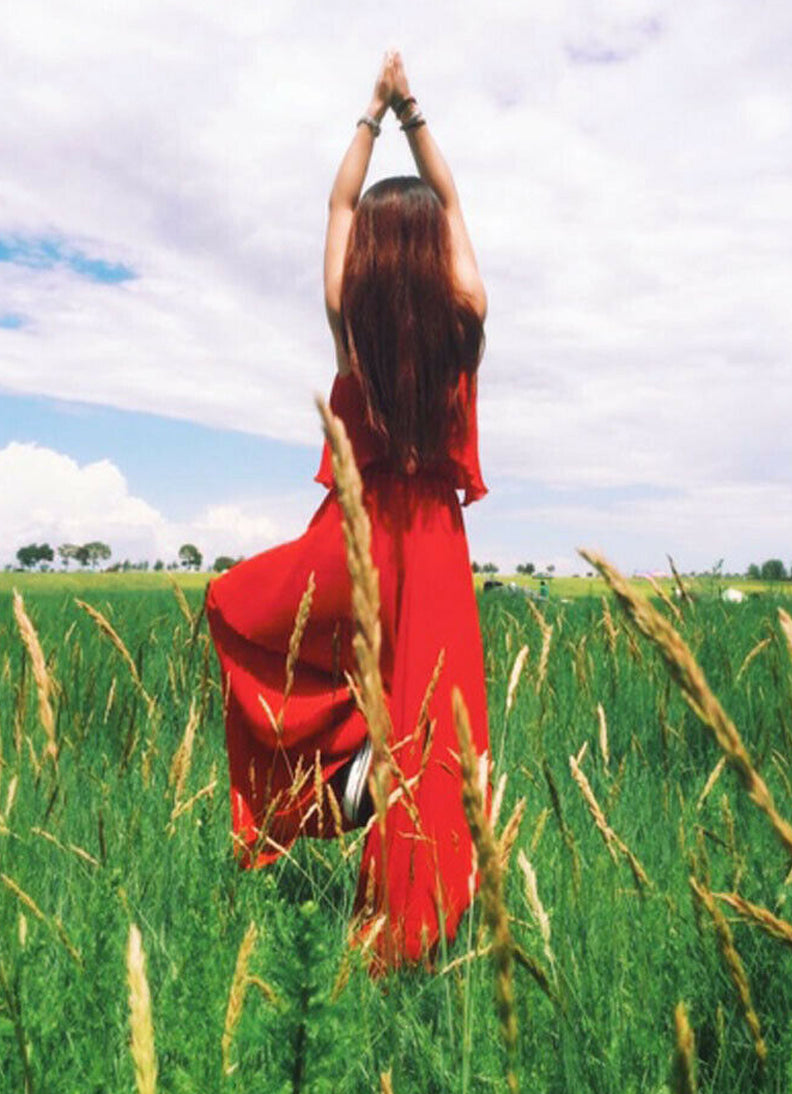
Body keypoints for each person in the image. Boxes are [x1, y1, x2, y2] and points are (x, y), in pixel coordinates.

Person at [205, 49, 490, 970]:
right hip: (434, 544)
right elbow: (452, 207)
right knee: (435, 719)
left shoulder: (350, 320)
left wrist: (371, 114)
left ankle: (343, 775)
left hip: (357, 534)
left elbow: (337, 209)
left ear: (370, 259)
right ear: (437, 246)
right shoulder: (465, 320)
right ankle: (419, 920)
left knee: (235, 609)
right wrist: (415, 117)